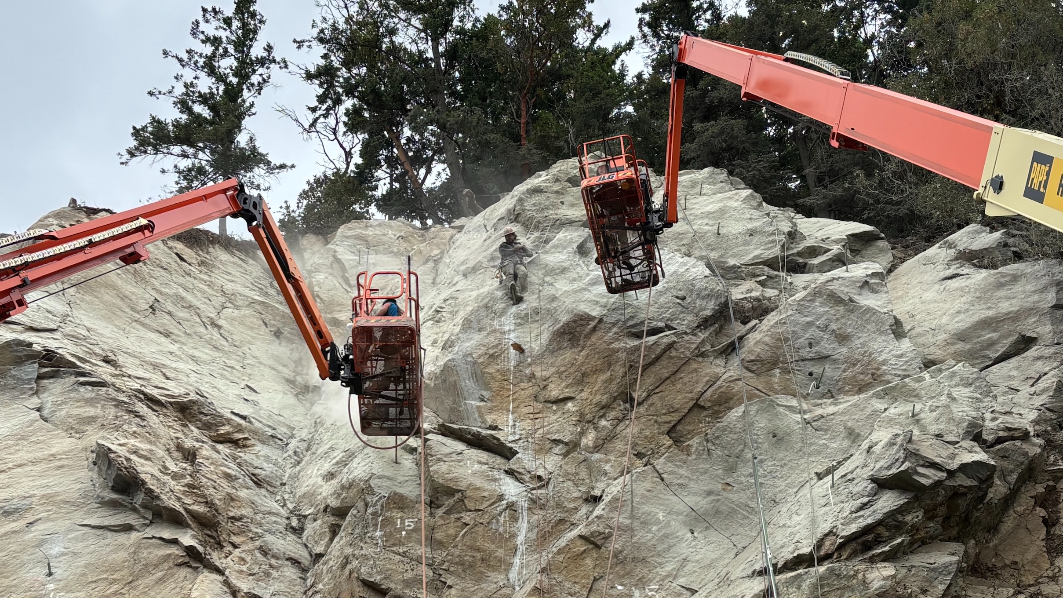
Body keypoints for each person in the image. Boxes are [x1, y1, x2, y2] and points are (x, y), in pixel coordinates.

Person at [499, 226, 533, 305]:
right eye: (507, 236)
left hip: (518, 263)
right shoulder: (502, 246)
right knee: (510, 272)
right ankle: (512, 288)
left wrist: (523, 247)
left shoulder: (518, 244)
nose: (509, 237)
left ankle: (519, 292)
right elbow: (503, 253)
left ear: (514, 235)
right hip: (507, 263)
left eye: (510, 235)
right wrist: (514, 249)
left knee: (523, 272)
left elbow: (530, 254)